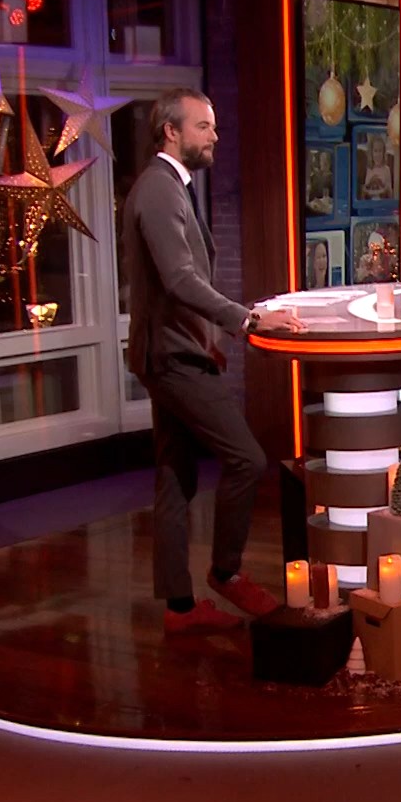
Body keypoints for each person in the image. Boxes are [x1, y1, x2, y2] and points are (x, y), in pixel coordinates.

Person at [122, 87, 305, 634]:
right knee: (247, 459)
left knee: (174, 477)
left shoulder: (171, 186)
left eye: (214, 126)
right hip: (170, 358)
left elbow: (177, 285)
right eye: (203, 126)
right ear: (171, 131)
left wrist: (208, 340)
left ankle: (179, 607)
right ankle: (226, 572)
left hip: (179, 351)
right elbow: (180, 280)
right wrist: (247, 321)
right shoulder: (158, 189)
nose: (215, 137)